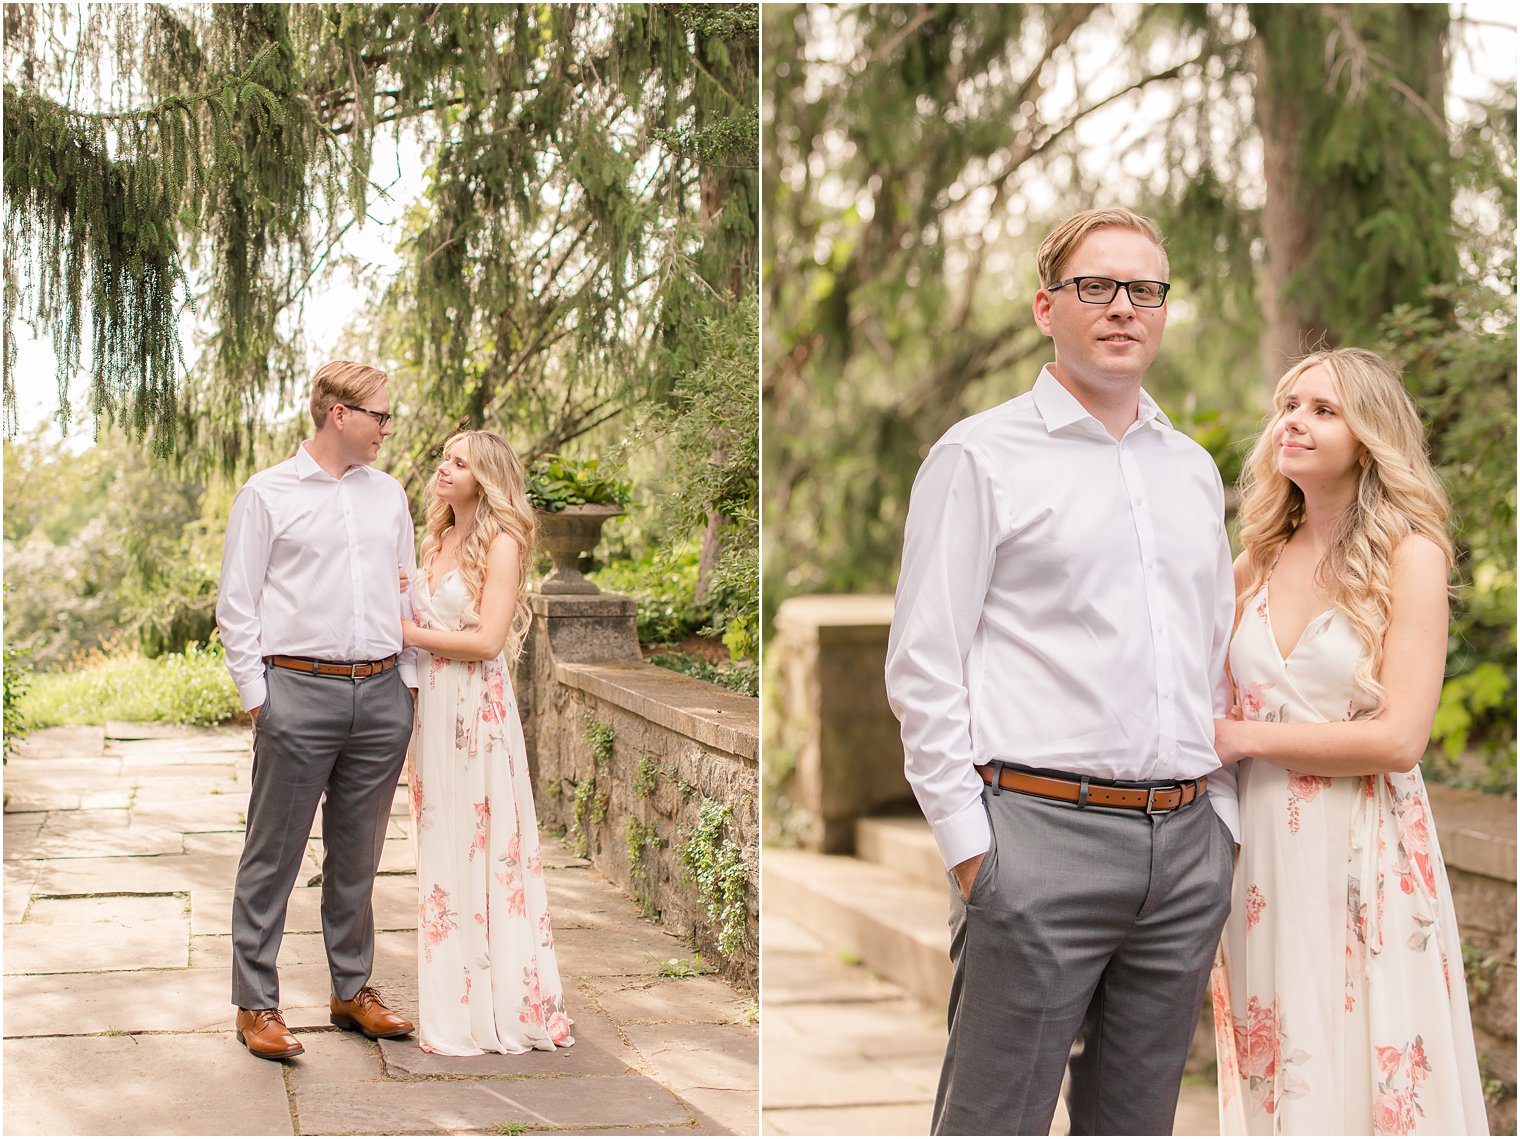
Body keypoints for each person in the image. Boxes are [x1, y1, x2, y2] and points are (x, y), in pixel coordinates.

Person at [884, 207, 1239, 1136]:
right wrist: (976, 852)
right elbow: (924, 665)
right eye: (1097, 286)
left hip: (1186, 851)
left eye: (1146, 289)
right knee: (991, 1122)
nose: (1124, 307)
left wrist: (1222, 825)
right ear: (1047, 307)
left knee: (1135, 1124)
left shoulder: (1194, 470)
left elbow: (1212, 653)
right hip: (1036, 838)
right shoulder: (978, 455)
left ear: (1163, 310)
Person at [1209, 347, 1488, 1135]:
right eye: (1290, 405)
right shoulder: (1254, 561)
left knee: (1377, 1061)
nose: (1294, 421)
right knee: (1284, 1069)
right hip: (1262, 857)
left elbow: (1400, 737)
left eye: (1323, 409)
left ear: (1368, 438)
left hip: (1367, 847)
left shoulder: (1411, 555)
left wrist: (1238, 735)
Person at [218, 360, 419, 1060]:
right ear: (339, 412)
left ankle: (351, 989)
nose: (388, 427)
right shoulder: (267, 494)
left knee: (357, 856)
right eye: (380, 415)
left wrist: (409, 688)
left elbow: (406, 591)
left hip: (382, 693)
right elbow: (237, 604)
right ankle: (256, 1004)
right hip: (296, 692)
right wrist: (260, 700)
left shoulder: (389, 495)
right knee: (272, 853)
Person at [400, 429, 574, 1056]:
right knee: (443, 846)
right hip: (433, 713)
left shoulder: (501, 543)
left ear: (487, 477)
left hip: (476, 709)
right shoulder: (437, 539)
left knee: (487, 849)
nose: (443, 468)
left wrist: (406, 634)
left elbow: (487, 642)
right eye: (443, 456)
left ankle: (496, 1007)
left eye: (460, 462)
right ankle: (454, 999)